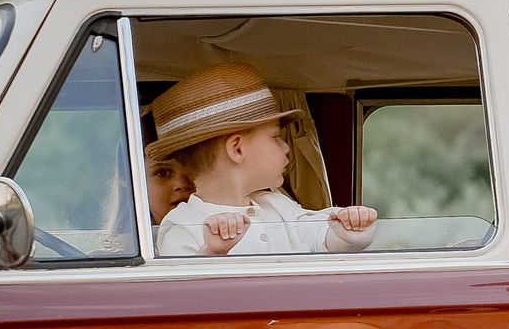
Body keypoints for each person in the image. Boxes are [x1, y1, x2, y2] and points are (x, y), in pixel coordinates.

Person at [149, 63, 379, 257]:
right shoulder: (182, 225)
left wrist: (350, 232)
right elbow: (186, 297)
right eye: (276, 137)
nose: (286, 146)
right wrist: (212, 253)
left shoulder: (277, 205)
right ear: (237, 150)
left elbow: (323, 238)